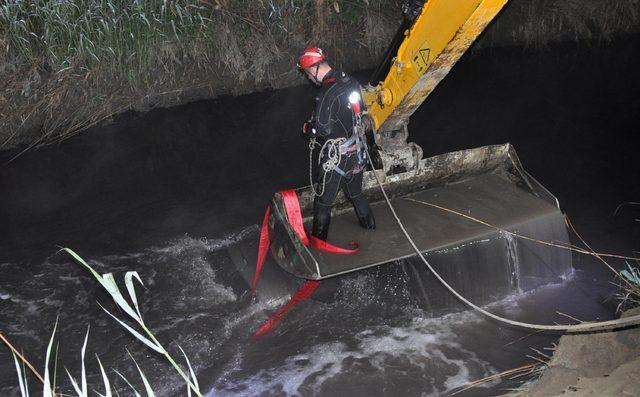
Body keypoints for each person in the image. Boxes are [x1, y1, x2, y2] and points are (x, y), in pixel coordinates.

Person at [297, 47, 376, 241]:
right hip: (358, 154)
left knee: (323, 203)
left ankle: (318, 247)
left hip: (337, 158)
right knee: (356, 194)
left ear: (313, 70)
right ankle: (371, 230)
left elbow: (323, 130)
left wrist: (307, 129)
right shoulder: (350, 81)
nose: (309, 79)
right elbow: (362, 112)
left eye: (308, 75)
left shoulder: (326, 94)